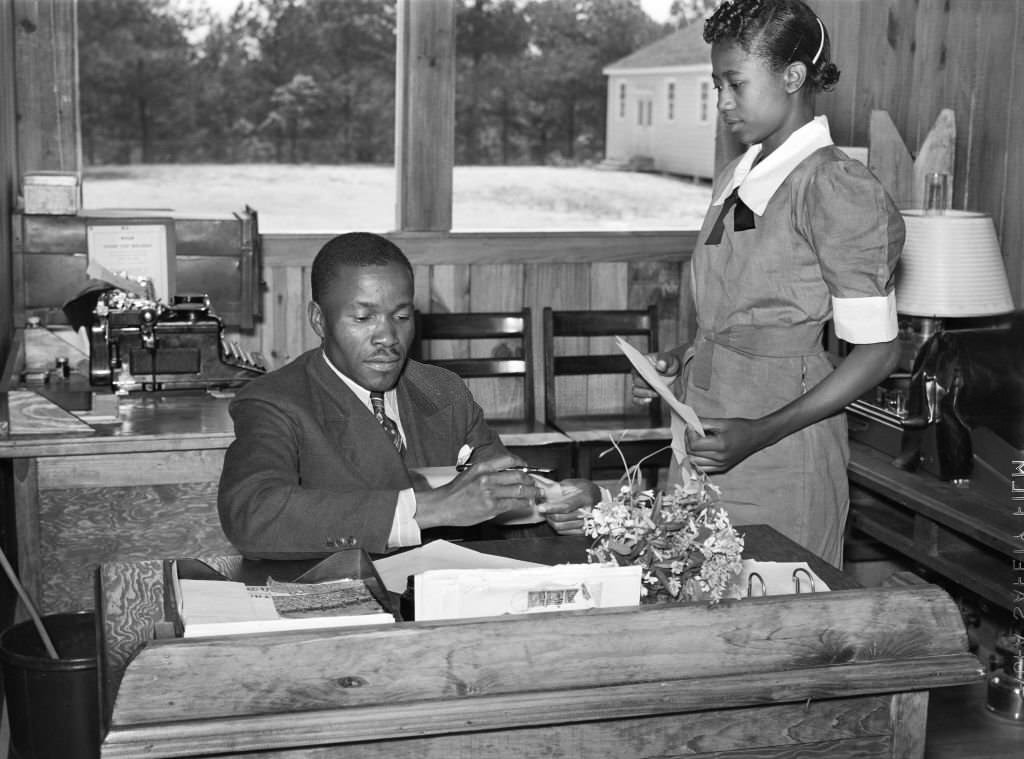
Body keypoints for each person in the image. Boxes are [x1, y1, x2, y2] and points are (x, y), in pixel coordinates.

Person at [634, 0, 902, 566]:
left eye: (735, 84)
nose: (723, 102)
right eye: (717, 86)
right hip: (707, 433)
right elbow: (751, 311)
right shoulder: (737, 175)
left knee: (774, 602)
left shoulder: (835, 187)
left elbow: (878, 353)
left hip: (780, 446)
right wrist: (682, 358)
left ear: (793, 76)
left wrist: (759, 432)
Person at [219, 232, 595, 559]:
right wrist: (430, 509)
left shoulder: (442, 390)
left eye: (401, 317)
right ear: (319, 319)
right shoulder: (276, 401)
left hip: (443, 593)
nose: (387, 337)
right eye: (363, 318)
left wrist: (563, 508)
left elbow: (500, 500)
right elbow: (253, 516)